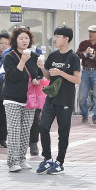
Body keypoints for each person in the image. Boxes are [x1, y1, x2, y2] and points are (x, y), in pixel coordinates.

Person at [36, 26, 81, 175]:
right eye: (54, 36)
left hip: (65, 99)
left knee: (63, 132)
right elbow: (49, 77)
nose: (54, 39)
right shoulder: (53, 56)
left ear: (66, 39)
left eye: (58, 36)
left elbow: (77, 79)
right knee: (43, 126)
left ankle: (60, 162)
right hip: (51, 98)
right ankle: (47, 158)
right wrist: (43, 68)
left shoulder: (73, 57)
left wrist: (61, 72)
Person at [2, 26, 41, 172]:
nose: (24, 41)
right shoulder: (9, 56)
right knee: (14, 130)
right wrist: (22, 61)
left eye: (27, 38)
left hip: (29, 99)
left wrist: (38, 78)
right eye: (21, 38)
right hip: (12, 98)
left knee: (25, 130)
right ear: (15, 41)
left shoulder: (34, 56)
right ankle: (12, 162)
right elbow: (12, 76)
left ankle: (22, 158)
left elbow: (37, 75)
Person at [76, 25, 96, 125]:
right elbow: (77, 54)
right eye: (90, 32)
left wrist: (95, 55)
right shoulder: (84, 43)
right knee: (82, 96)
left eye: (94, 32)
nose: (91, 34)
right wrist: (85, 53)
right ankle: (84, 114)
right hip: (85, 71)